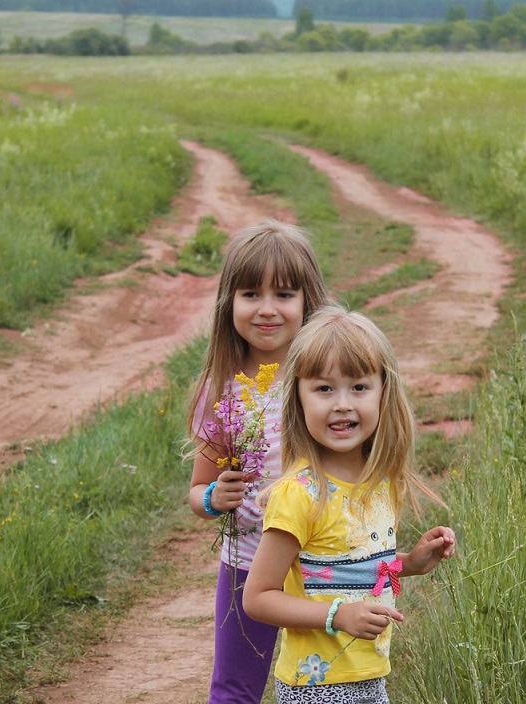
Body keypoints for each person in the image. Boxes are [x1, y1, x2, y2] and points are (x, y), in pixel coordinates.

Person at [242, 306, 456, 704]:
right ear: (299, 399)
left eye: (358, 387)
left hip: (370, 674)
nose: (342, 403)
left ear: (383, 391)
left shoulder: (380, 482)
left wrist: (408, 564)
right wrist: (338, 615)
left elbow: (353, 564)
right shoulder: (299, 494)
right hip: (316, 685)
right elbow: (257, 597)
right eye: (324, 389)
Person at [187, 219, 331, 704]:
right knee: (233, 690)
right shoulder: (222, 388)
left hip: (323, 563)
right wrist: (213, 497)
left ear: (308, 301)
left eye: (284, 294)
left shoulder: (326, 377)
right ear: (229, 303)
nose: (267, 309)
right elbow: (197, 491)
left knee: (329, 686)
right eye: (251, 294)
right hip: (245, 563)